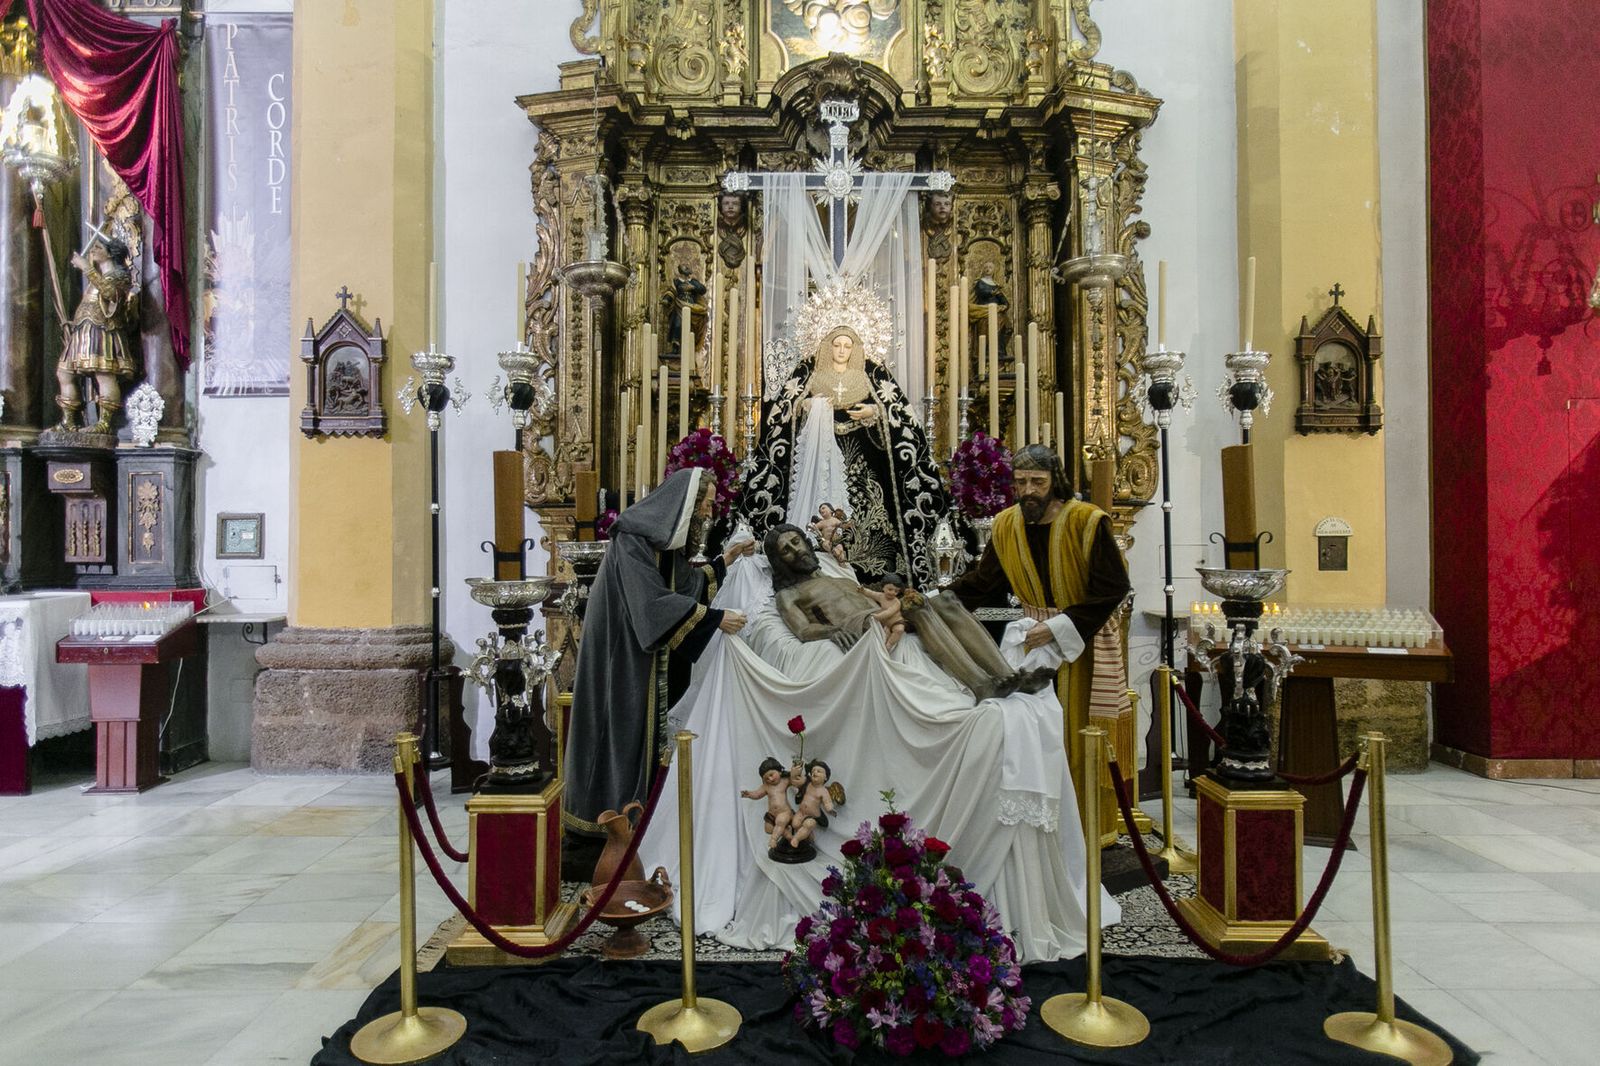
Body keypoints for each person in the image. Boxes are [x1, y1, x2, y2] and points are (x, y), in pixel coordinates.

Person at [565, 467, 757, 834]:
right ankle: (603, 825)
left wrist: (727, 559)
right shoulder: (632, 540)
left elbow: (686, 584)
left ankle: (636, 819)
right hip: (618, 655)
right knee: (617, 728)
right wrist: (715, 618)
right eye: (704, 503)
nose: (708, 512)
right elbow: (651, 605)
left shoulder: (659, 544)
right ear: (683, 502)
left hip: (639, 654)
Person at [948, 444, 1132, 820]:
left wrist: (1058, 627)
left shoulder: (1087, 521)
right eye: (1020, 482)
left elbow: (1113, 588)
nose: (1028, 490)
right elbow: (982, 584)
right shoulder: (1006, 525)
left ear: (1055, 481)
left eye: (1037, 481)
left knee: (1078, 736)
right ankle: (1040, 820)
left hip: (1084, 645)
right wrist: (935, 601)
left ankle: (1084, 824)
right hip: (1032, 645)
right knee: (1033, 737)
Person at [740, 324, 949, 587]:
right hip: (818, 465)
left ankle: (869, 574)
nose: (841, 351)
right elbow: (783, 416)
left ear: (855, 349)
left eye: (847, 346)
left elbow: (899, 414)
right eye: (836, 345)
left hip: (862, 464)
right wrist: (807, 406)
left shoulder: (870, 375)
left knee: (869, 517)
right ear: (828, 347)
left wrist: (874, 413)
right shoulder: (810, 375)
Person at [767, 525, 1043, 701]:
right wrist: (832, 630)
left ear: (805, 541)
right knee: (918, 609)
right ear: (780, 562)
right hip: (862, 626)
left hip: (882, 613)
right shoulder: (788, 593)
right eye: (786, 551)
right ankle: (981, 685)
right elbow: (802, 630)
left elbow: (873, 594)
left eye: (796, 542)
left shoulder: (840, 575)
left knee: (947, 599)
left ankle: (1009, 674)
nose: (795, 550)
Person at [56, 237, 138, 434]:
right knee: (64, 372)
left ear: (110, 253)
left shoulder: (120, 276)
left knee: (104, 374)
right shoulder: (99, 277)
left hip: (102, 331)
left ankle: (104, 424)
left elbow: (110, 294)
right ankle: (69, 421)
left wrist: (87, 268)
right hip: (83, 331)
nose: (93, 250)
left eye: (98, 247)